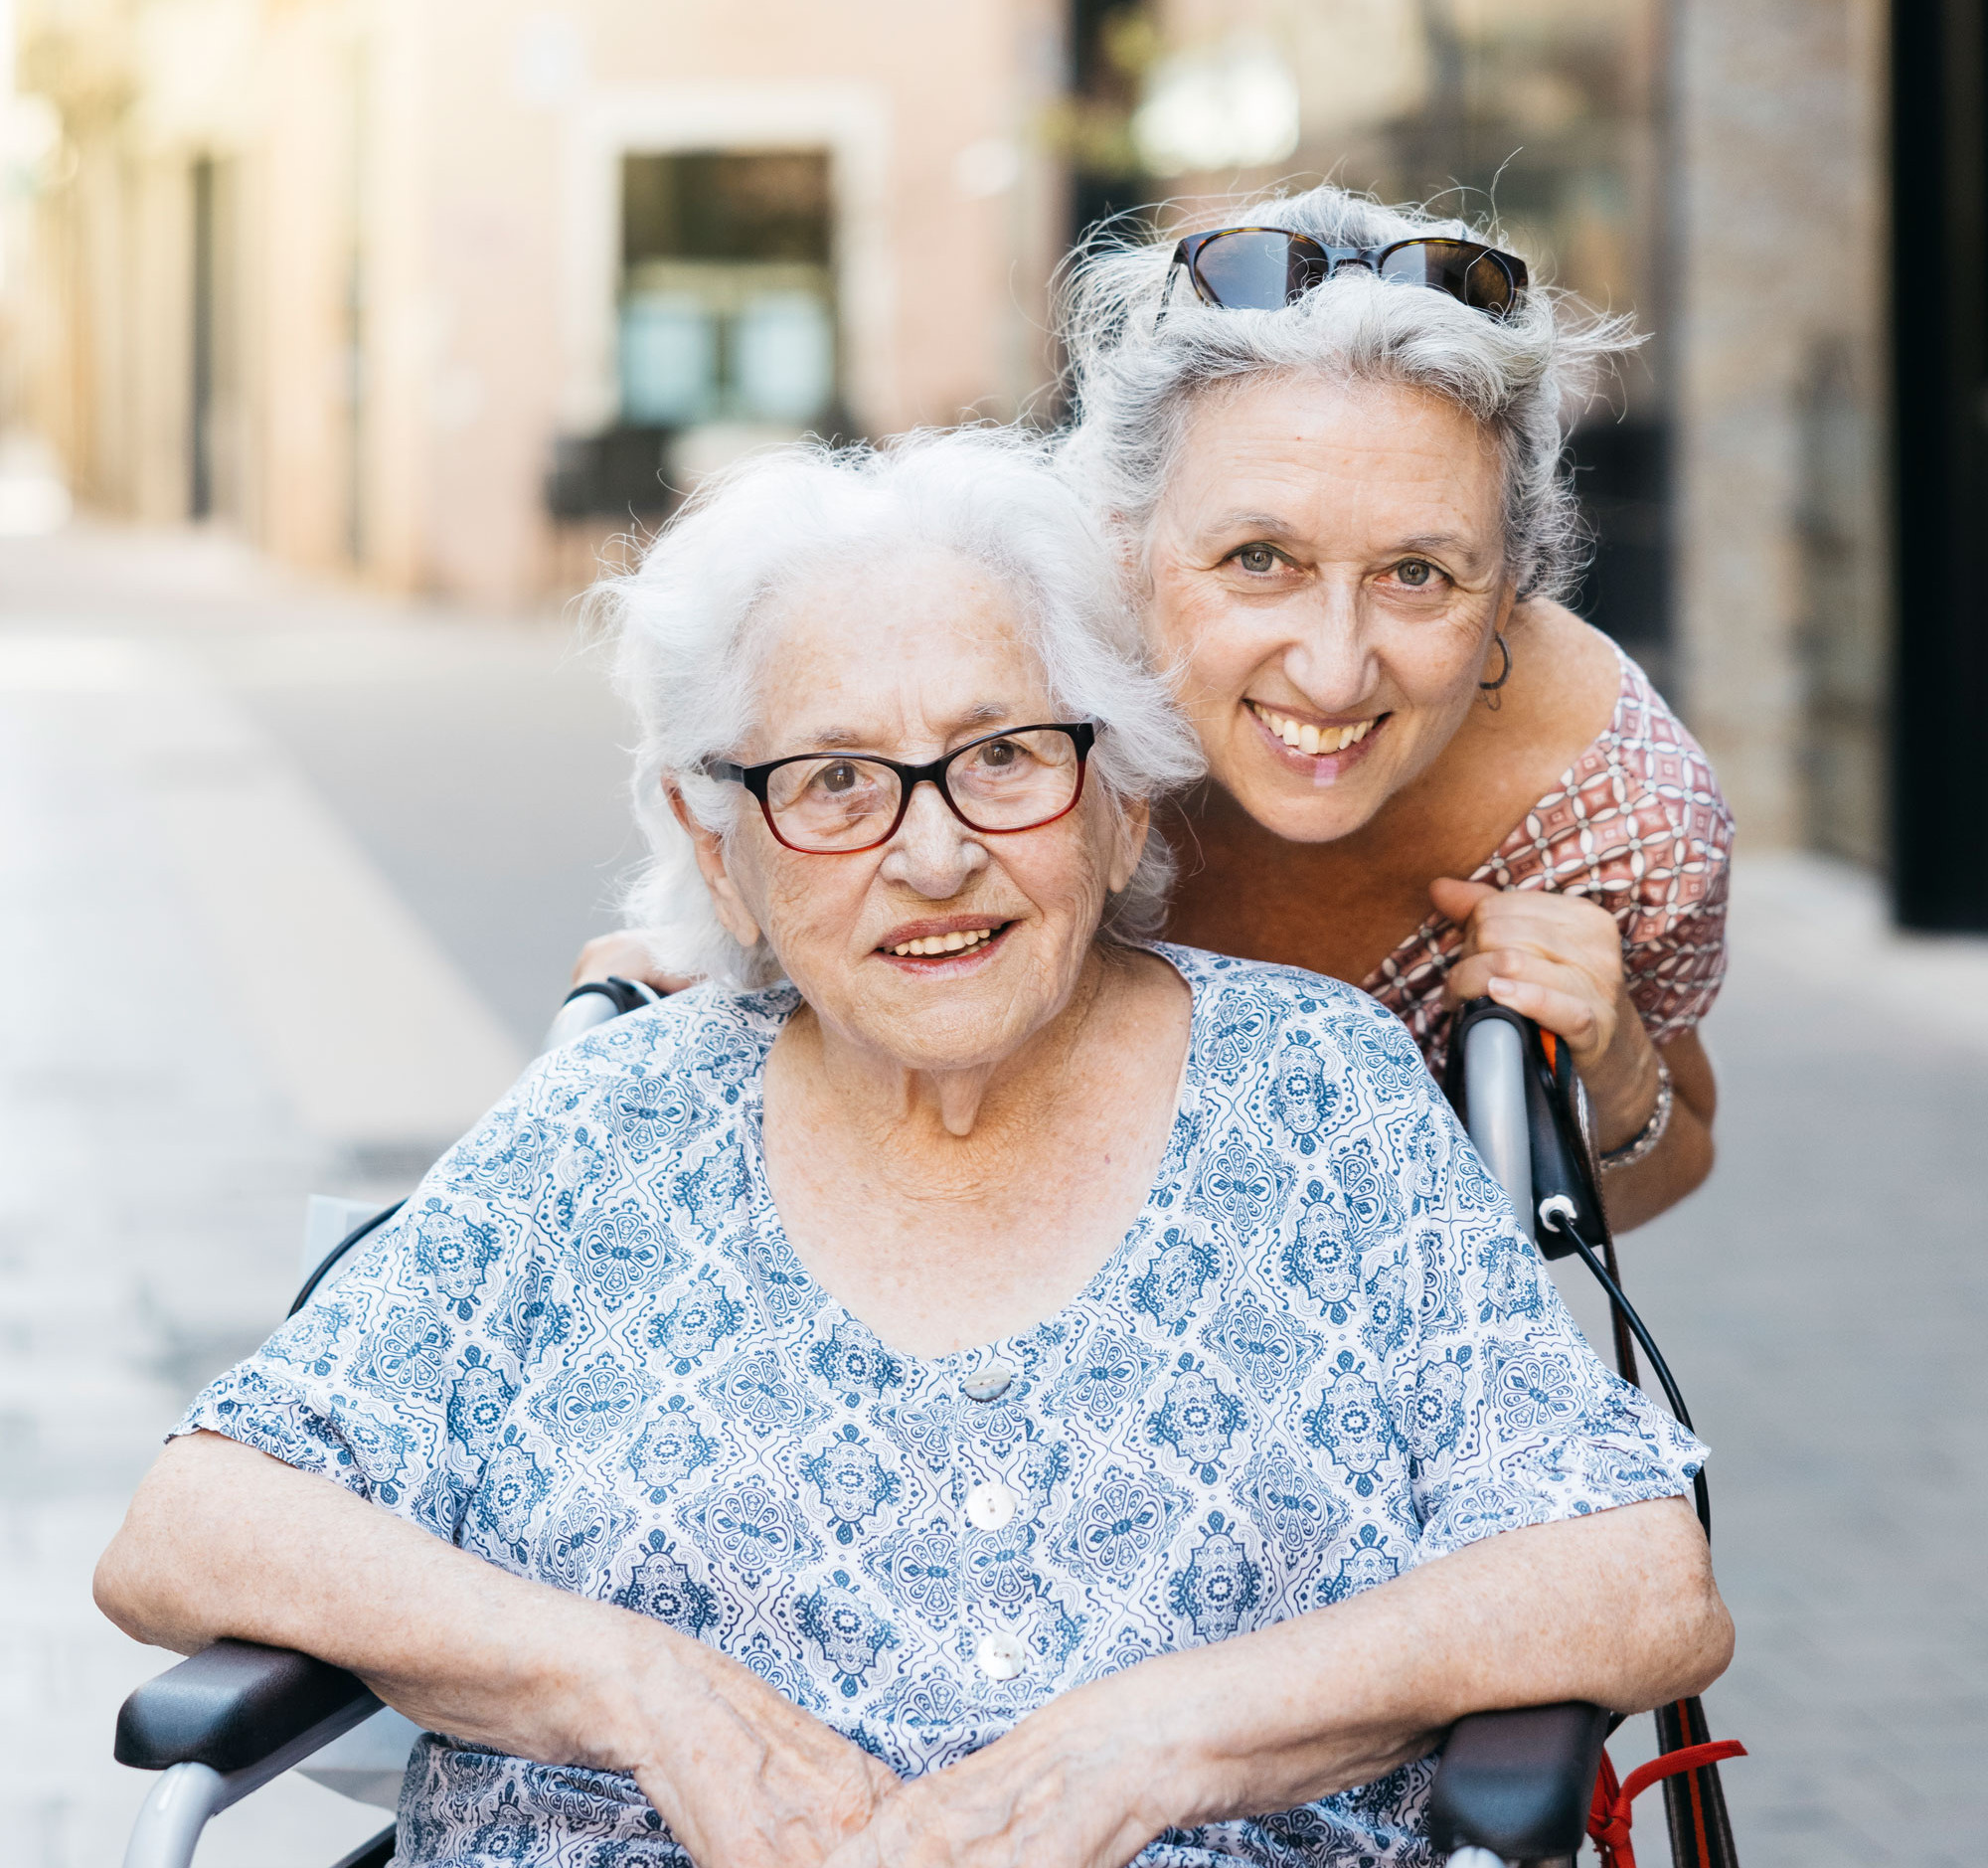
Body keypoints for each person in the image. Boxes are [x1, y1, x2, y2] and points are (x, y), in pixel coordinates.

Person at [97, 434, 1730, 1868]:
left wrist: (1155, 1740)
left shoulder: (1320, 1100)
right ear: (718, 851)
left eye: (1005, 755)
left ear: (1123, 798)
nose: (934, 853)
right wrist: (645, 1693)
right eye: (832, 783)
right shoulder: (608, 1130)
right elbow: (192, 1529)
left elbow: (1638, 1580)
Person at [577, 189, 1732, 1233]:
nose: (1332, 672)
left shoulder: (1620, 814)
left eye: (1418, 574)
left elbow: (1663, 1162)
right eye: (1256, 557)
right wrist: (728, 968)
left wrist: (1615, 1065)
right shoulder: (1026, 660)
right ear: (1120, 532)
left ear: (1511, 587)